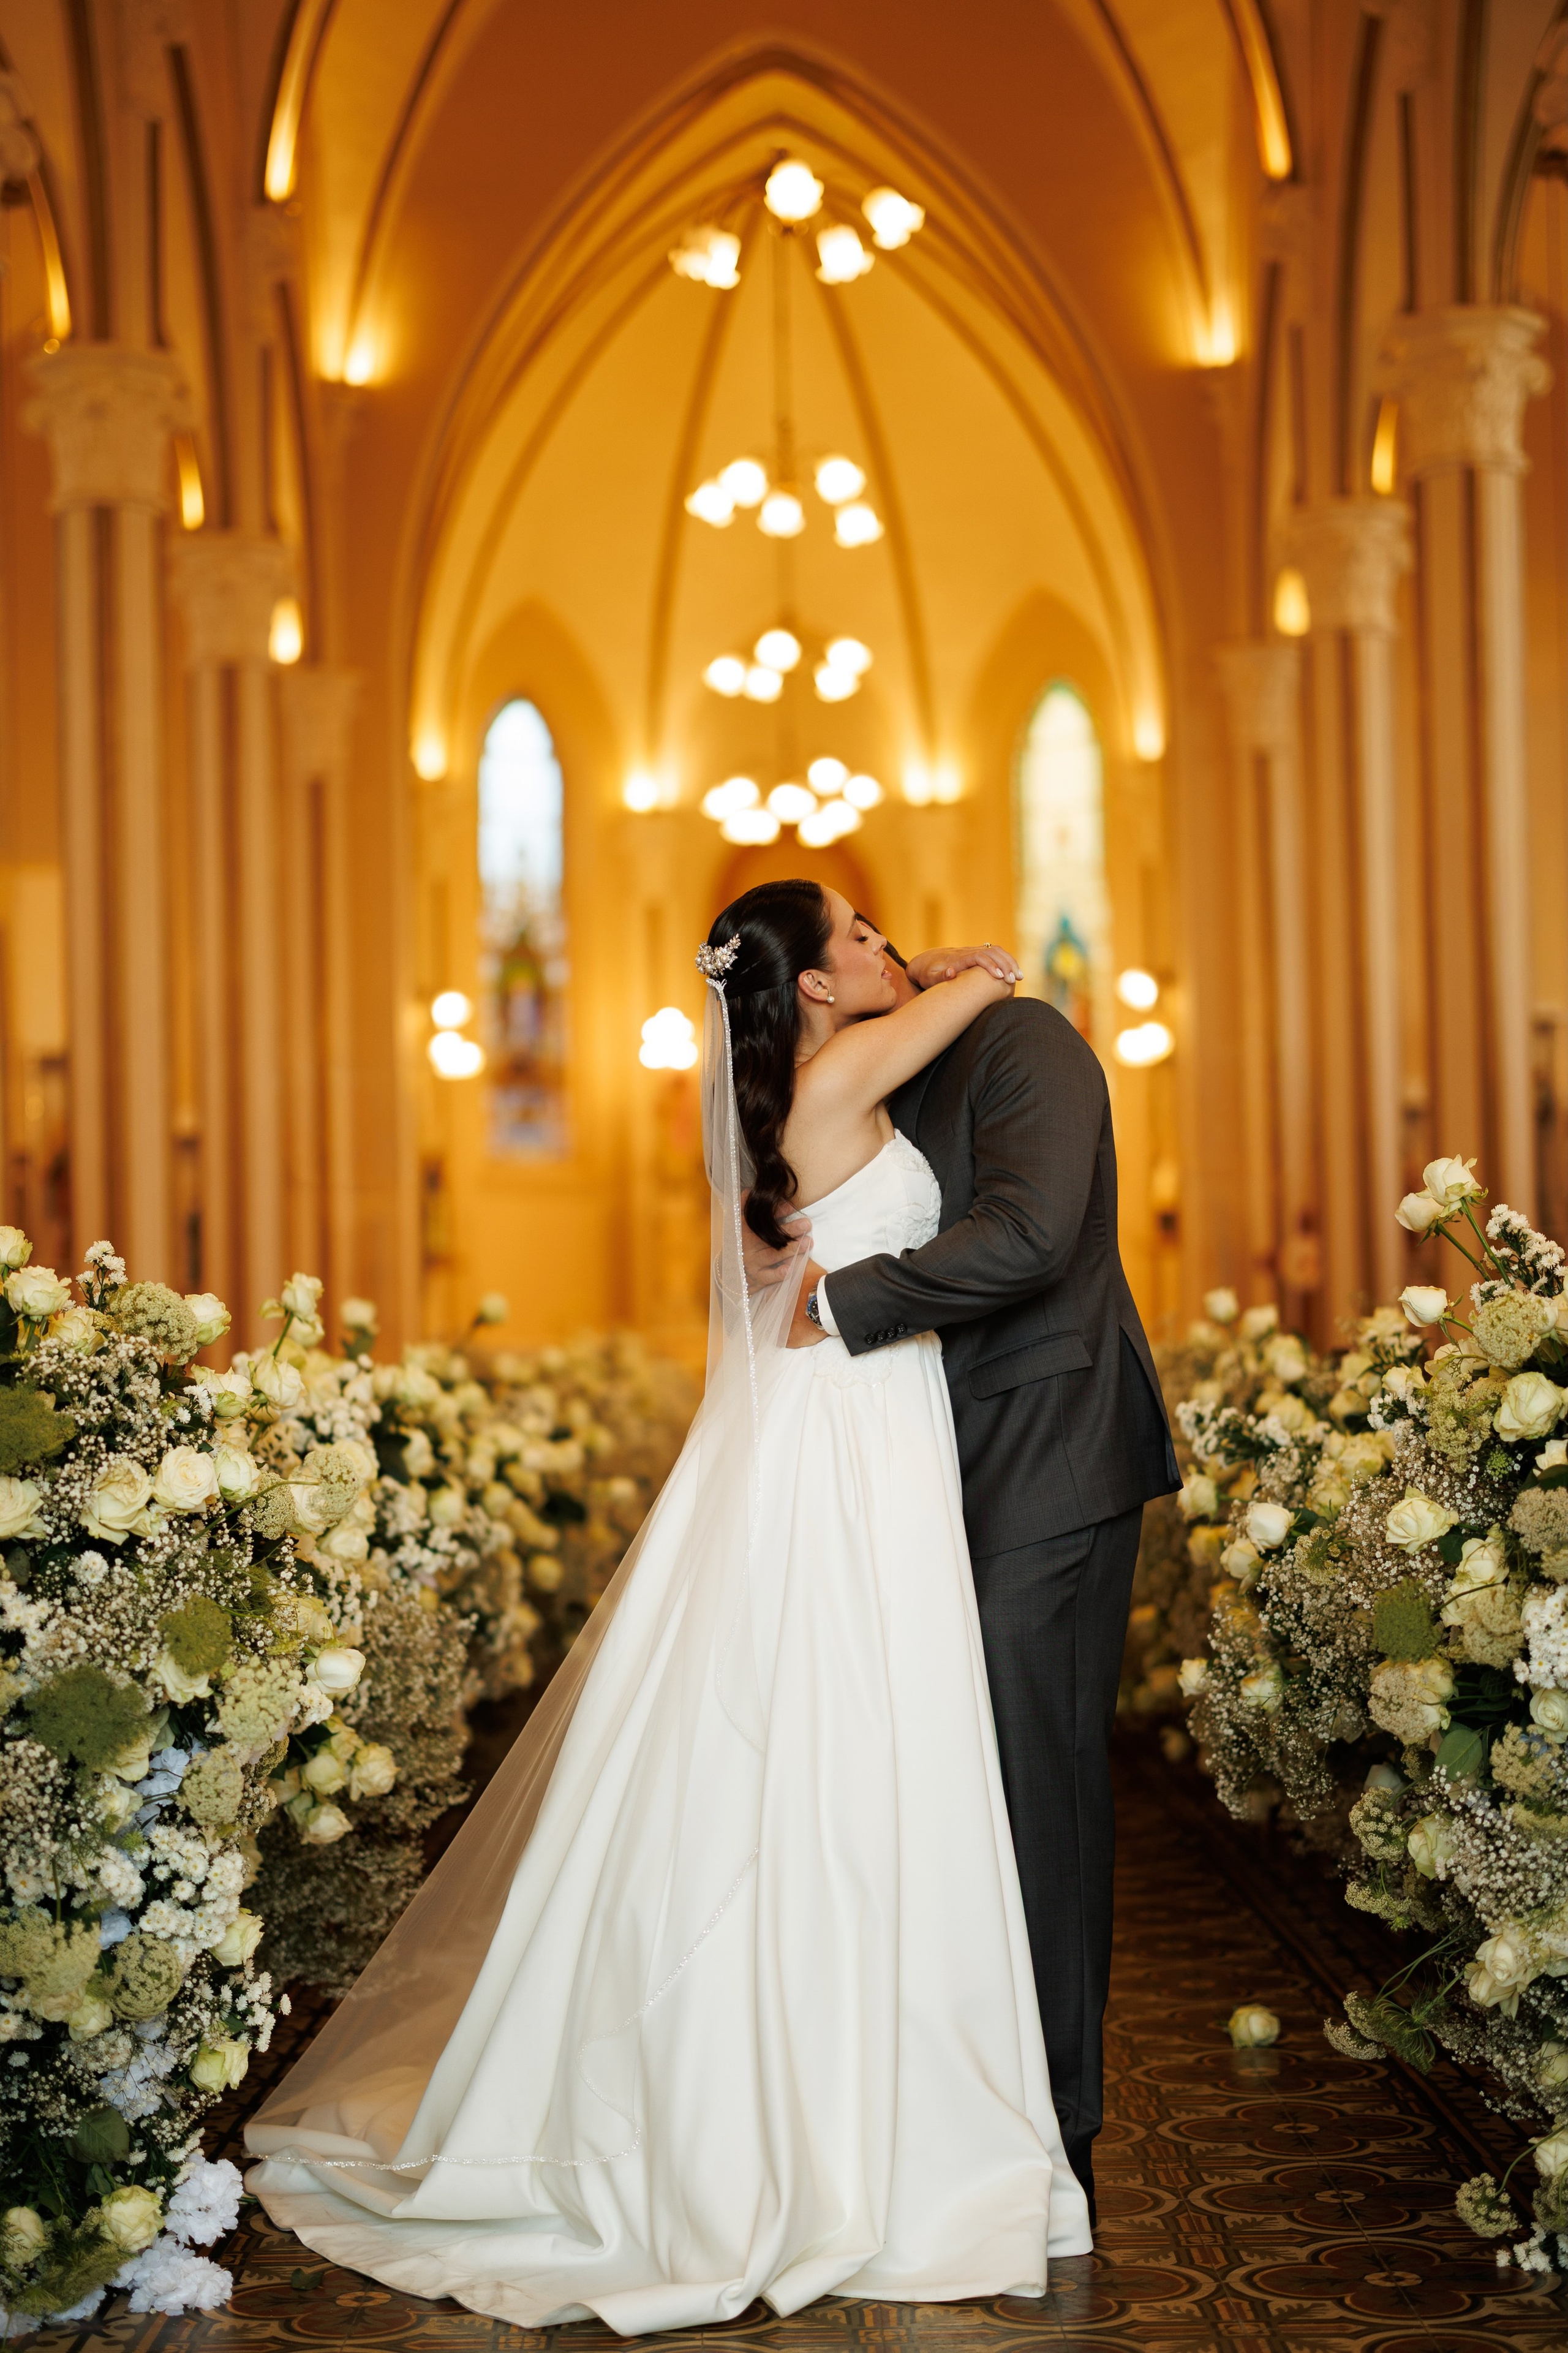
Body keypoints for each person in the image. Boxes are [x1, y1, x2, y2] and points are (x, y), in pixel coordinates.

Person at [246, 880, 1093, 2335]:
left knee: (824, 1736)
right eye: (860, 934)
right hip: (851, 1430)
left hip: (842, 1420)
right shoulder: (837, 1075)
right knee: (859, 1735)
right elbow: (996, 979)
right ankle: (857, 2115)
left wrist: (906, 970)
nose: (889, 945)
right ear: (814, 992)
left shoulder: (776, 1103)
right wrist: (951, 966)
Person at [758, 927, 1178, 2226]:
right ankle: (952, 2096)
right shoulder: (889, 1071)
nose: (890, 942)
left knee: (1032, 1790)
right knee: (950, 1791)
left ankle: (1056, 2136)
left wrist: (842, 1306)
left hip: (1050, 1456)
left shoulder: (1022, 1042)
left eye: (888, 931)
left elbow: (1034, 1233)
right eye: (860, 935)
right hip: (932, 1466)